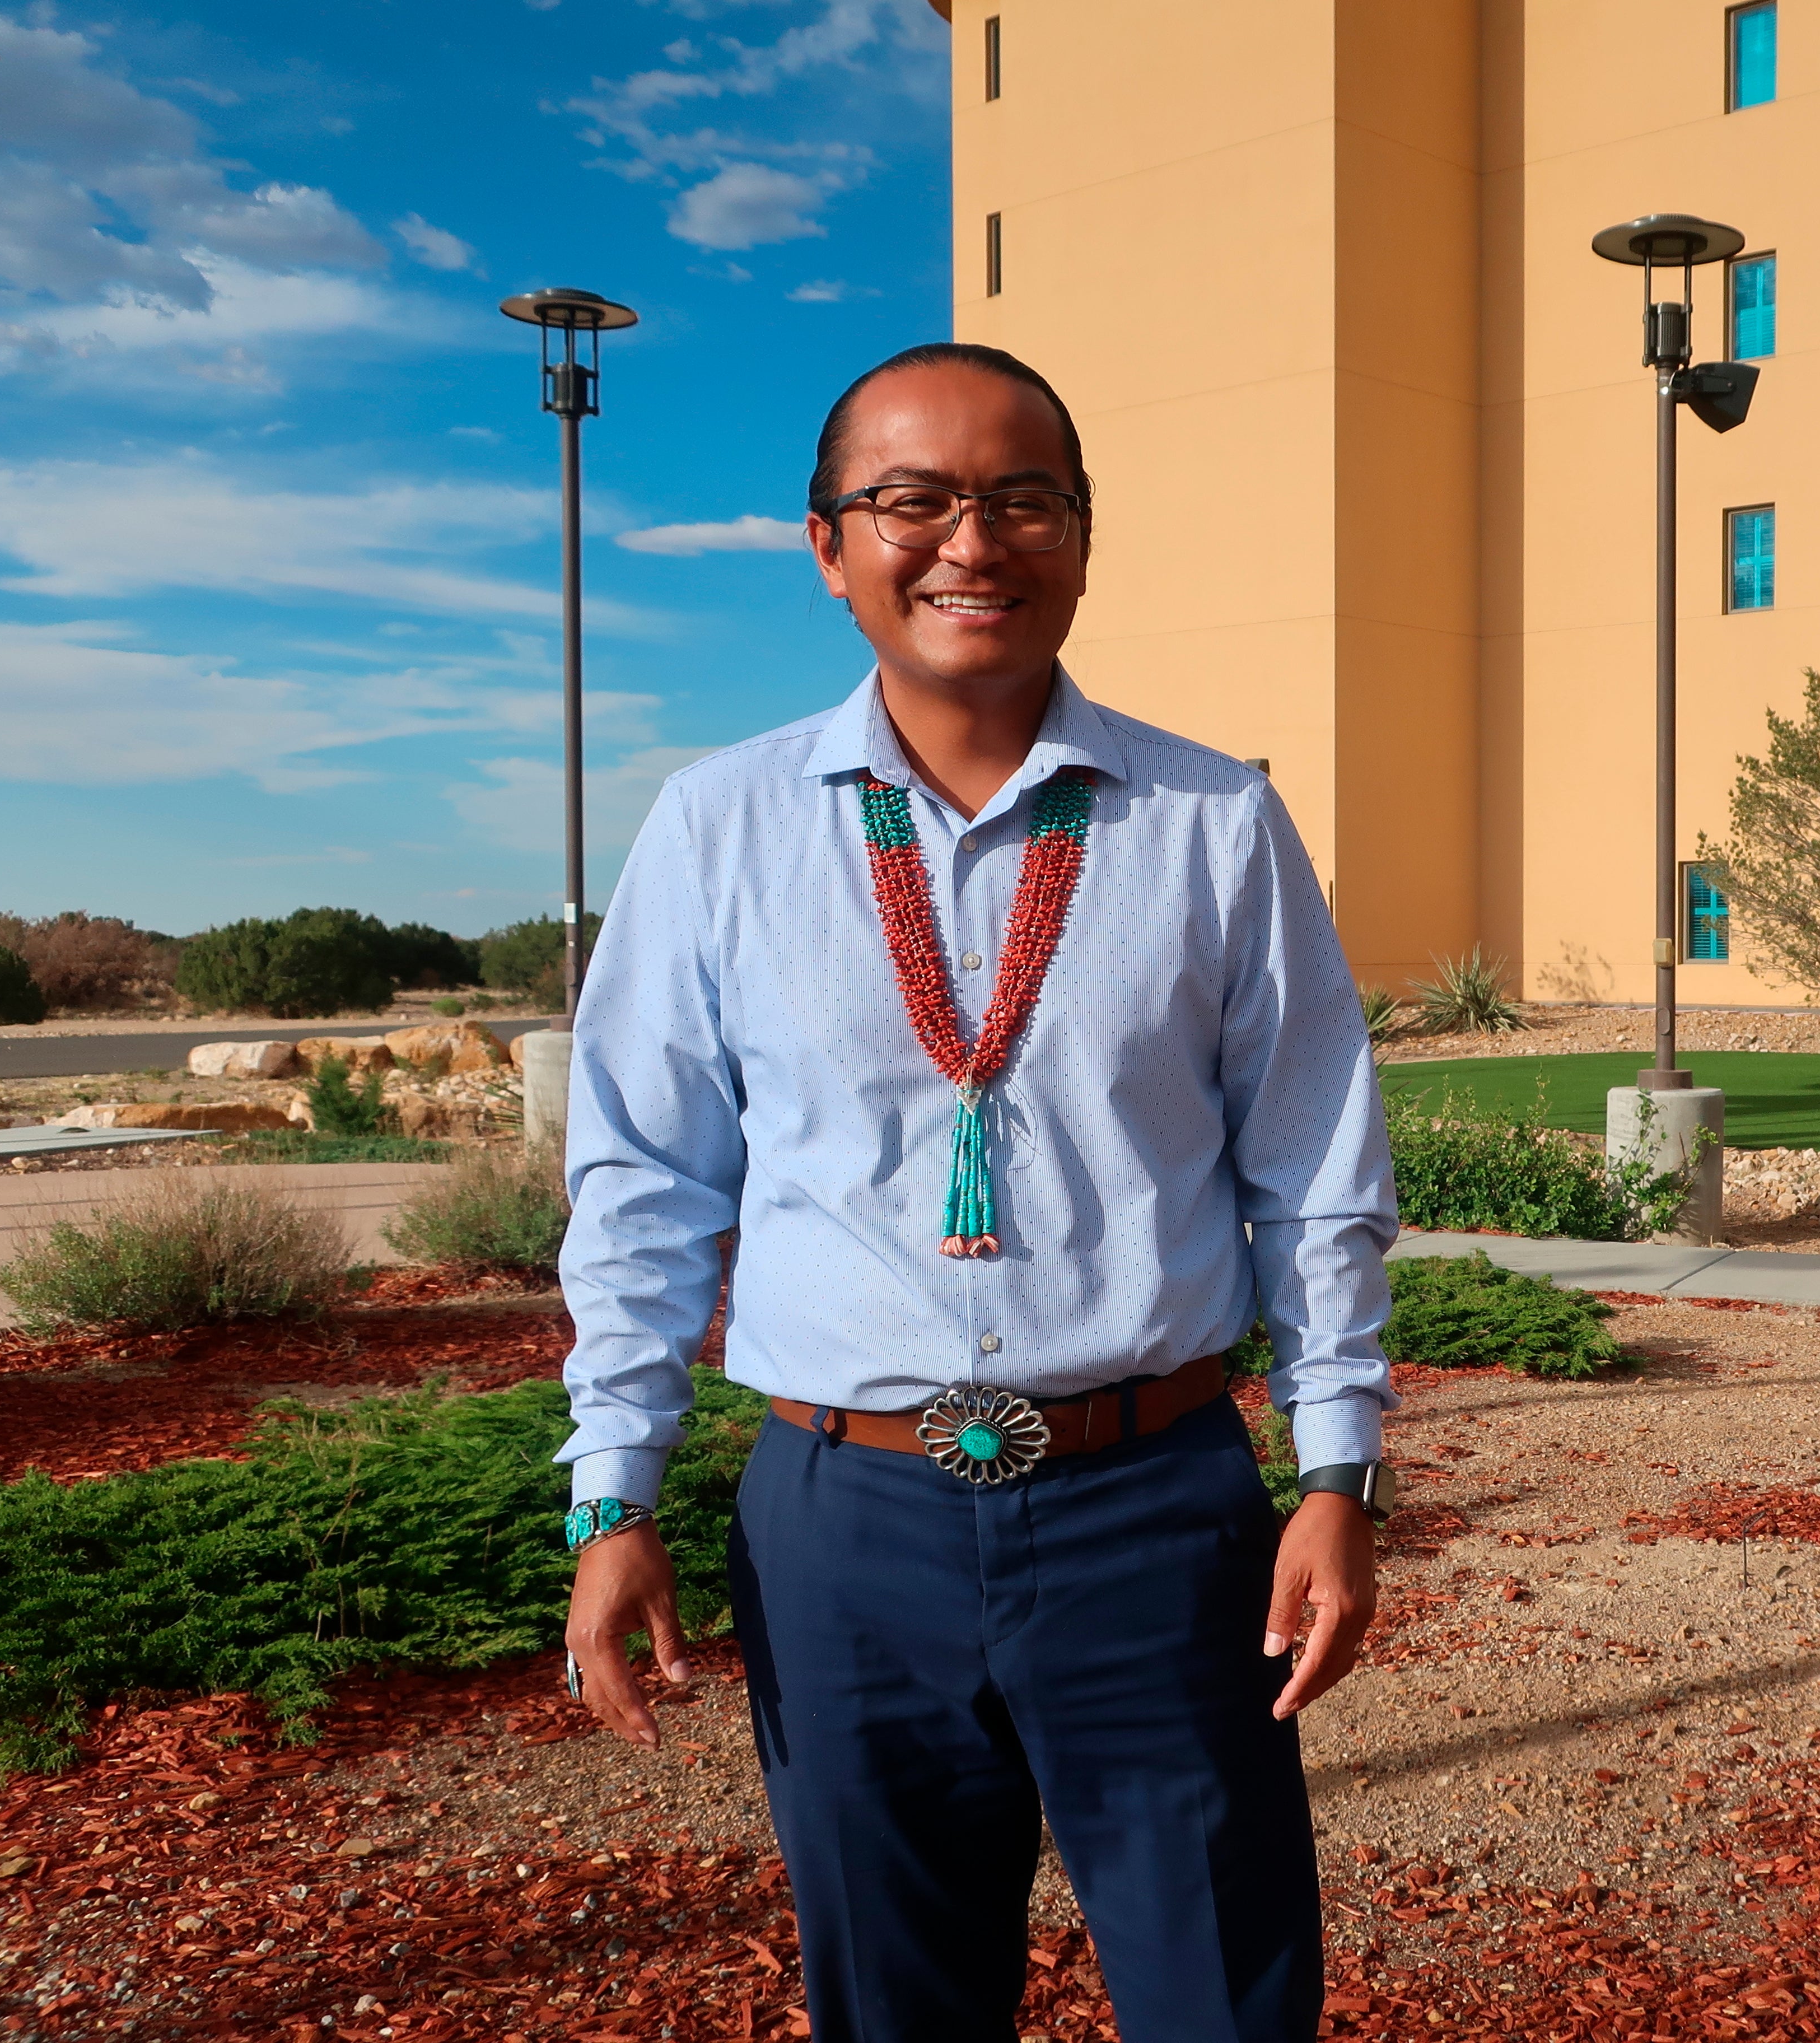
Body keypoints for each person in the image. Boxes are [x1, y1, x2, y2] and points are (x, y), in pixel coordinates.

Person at [554, 340, 1397, 2043]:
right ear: (827, 544)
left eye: (1024, 500)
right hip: (842, 1526)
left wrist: (1337, 1474)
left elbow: (1314, 1173)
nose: (970, 543)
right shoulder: (718, 830)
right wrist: (611, 1494)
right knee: (897, 2008)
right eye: (912, 499)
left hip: (1156, 1512)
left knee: (1225, 2000)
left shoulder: (1213, 823)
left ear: (1083, 539)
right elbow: (643, 1178)